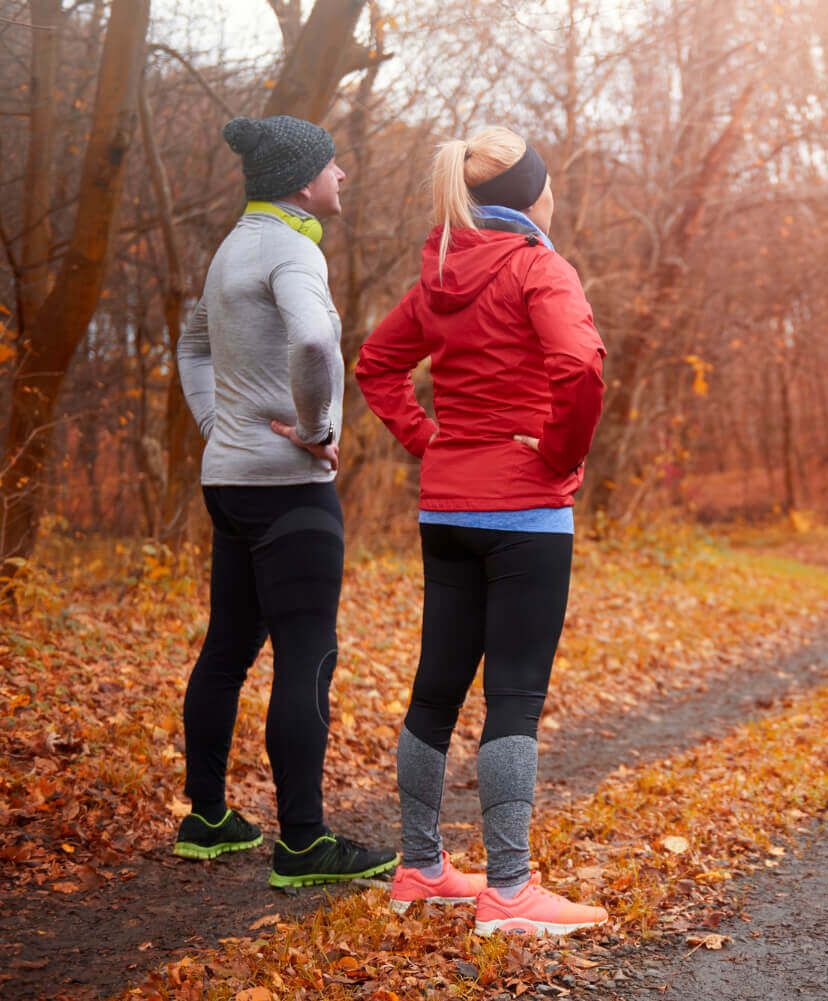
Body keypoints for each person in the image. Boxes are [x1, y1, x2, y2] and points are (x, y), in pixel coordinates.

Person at [355, 126, 607, 936]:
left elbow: (377, 364)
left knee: (436, 688)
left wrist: (434, 444)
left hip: (448, 510)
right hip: (526, 513)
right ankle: (507, 889)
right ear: (533, 195)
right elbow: (581, 366)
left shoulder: (441, 271)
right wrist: (561, 457)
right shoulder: (539, 266)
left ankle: (421, 867)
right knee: (515, 695)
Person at [174, 114, 397, 890]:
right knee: (306, 655)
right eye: (334, 167)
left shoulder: (232, 247)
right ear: (304, 180)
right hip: (288, 489)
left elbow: (192, 346)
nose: (342, 178)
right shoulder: (294, 250)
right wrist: (315, 429)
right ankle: (303, 843)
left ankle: (206, 817)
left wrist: (217, 425)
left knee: (228, 647)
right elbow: (312, 344)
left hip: (228, 480)